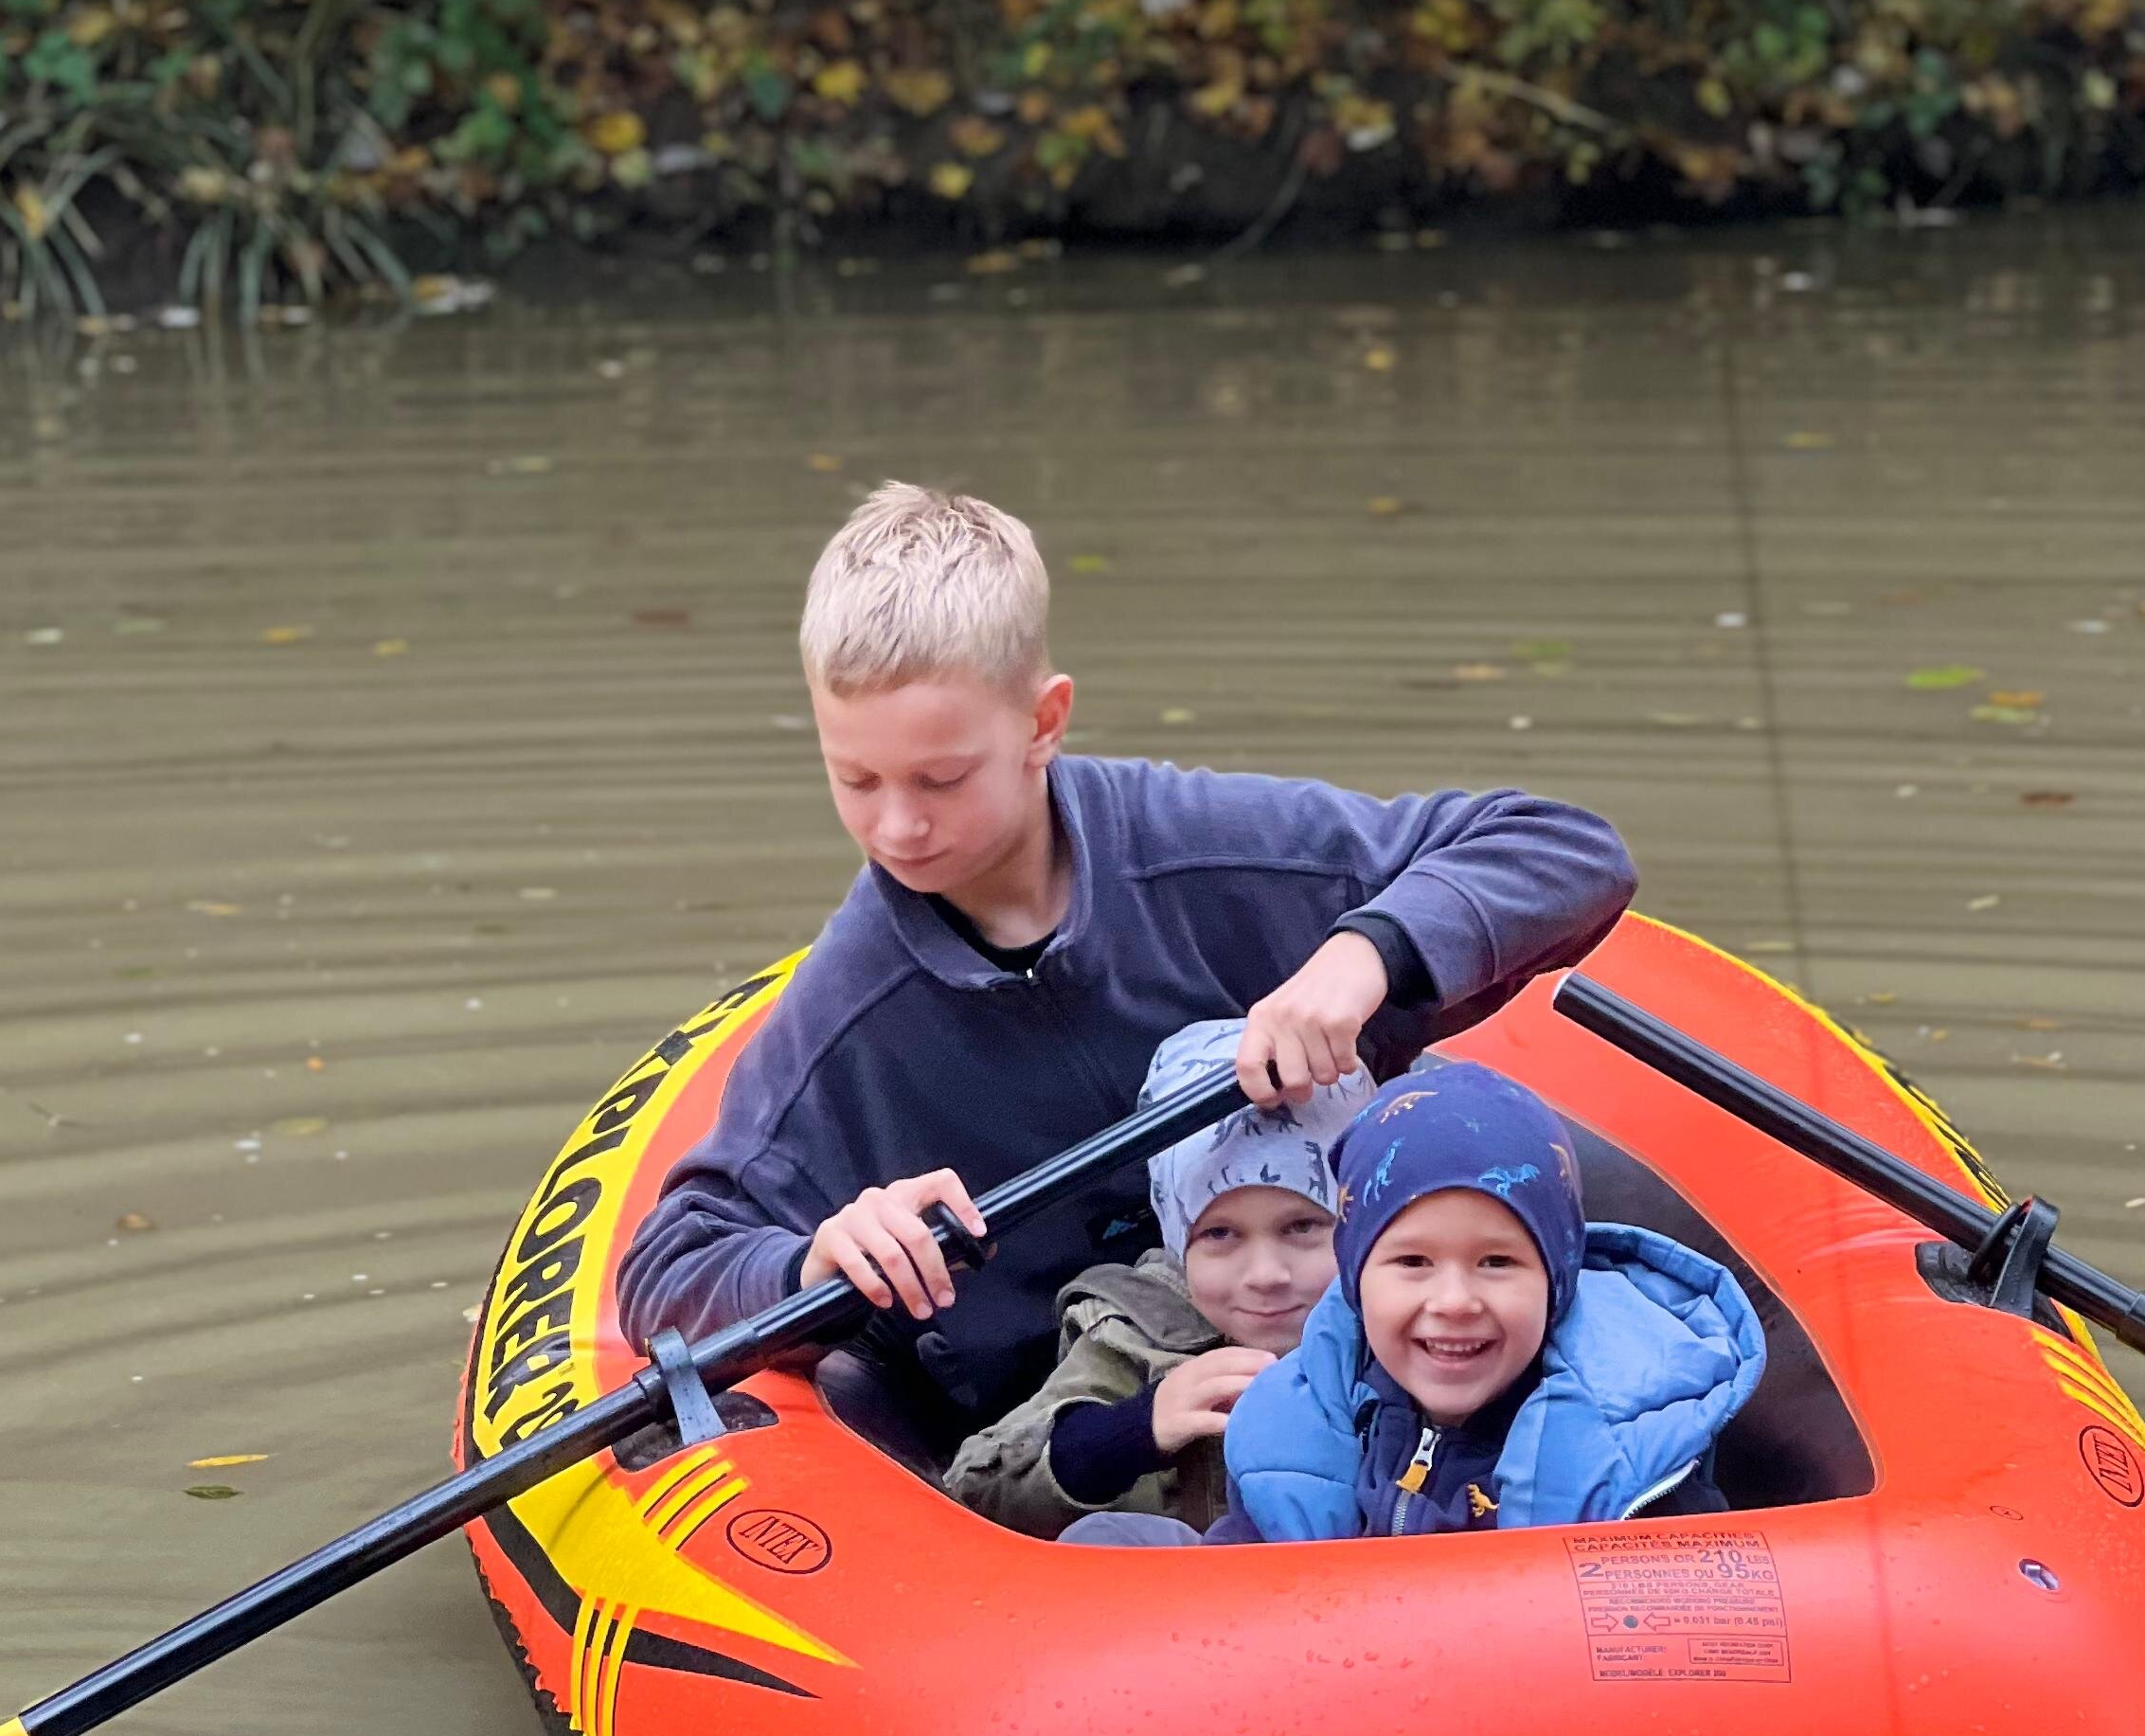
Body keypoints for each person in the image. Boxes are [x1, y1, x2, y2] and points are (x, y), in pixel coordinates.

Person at [613, 482, 1636, 1445]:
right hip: (1082, 1450)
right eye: (856, 778)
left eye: (941, 777)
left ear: (1043, 722)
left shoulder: (1215, 846)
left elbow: (1565, 848)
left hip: (1389, 1360)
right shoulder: (847, 1013)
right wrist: (814, 1257)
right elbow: (671, 1267)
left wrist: (1367, 953)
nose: (897, 825)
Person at [1063, 1061, 1763, 1547]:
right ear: (1354, 1276)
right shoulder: (1294, 1413)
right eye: (1412, 1263)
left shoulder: (1637, 1446)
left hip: (1515, 1711)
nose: (1454, 1301)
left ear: (1559, 1280)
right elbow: (1244, 1575)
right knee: (1107, 1544)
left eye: (1497, 1262)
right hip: (1330, 1681)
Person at [942, 1019, 1371, 1536]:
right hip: (1187, 1606)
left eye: (1302, 1226)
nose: (1265, 1274)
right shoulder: (1133, 1336)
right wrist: (1134, 1431)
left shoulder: (1405, 1319)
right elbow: (976, 1494)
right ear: (1176, 1239)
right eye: (1219, 1235)